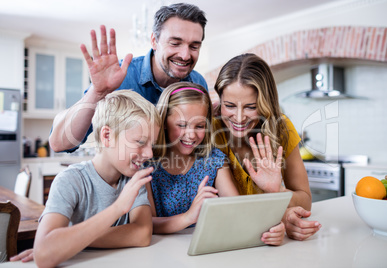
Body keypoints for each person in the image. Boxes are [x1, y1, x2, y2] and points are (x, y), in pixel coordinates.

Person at [11, 90, 161, 266]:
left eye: (152, 145)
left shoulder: (132, 179)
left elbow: (142, 234)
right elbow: (44, 255)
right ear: (107, 136)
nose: (150, 153)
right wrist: (118, 208)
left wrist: (71, 243)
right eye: (141, 142)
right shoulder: (70, 180)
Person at [49, 3, 208, 153]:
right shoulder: (120, 78)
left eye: (194, 46)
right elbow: (60, 144)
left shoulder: (198, 83)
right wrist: (97, 92)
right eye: (175, 43)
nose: (185, 55)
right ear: (154, 41)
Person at [146, 82, 285, 246]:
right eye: (182, 125)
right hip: (161, 252)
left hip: (206, 248)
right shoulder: (148, 164)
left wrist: (272, 225)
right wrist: (188, 217)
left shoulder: (213, 160)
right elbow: (147, 224)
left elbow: (238, 211)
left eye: (199, 126)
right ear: (163, 123)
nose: (191, 135)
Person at [212, 53, 321, 241]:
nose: (238, 118)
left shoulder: (282, 128)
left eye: (250, 107)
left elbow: (305, 201)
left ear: (266, 104)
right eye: (229, 105)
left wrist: (277, 191)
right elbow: (227, 207)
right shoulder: (211, 129)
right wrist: (282, 216)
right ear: (220, 100)